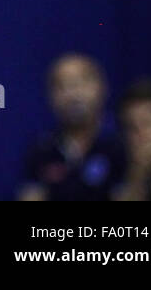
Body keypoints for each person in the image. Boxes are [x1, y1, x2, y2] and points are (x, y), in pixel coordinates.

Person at [17, 52, 126, 201]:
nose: (73, 94)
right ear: (50, 97)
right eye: (62, 86)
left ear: (102, 87)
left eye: (81, 83)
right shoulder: (42, 149)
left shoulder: (123, 142)